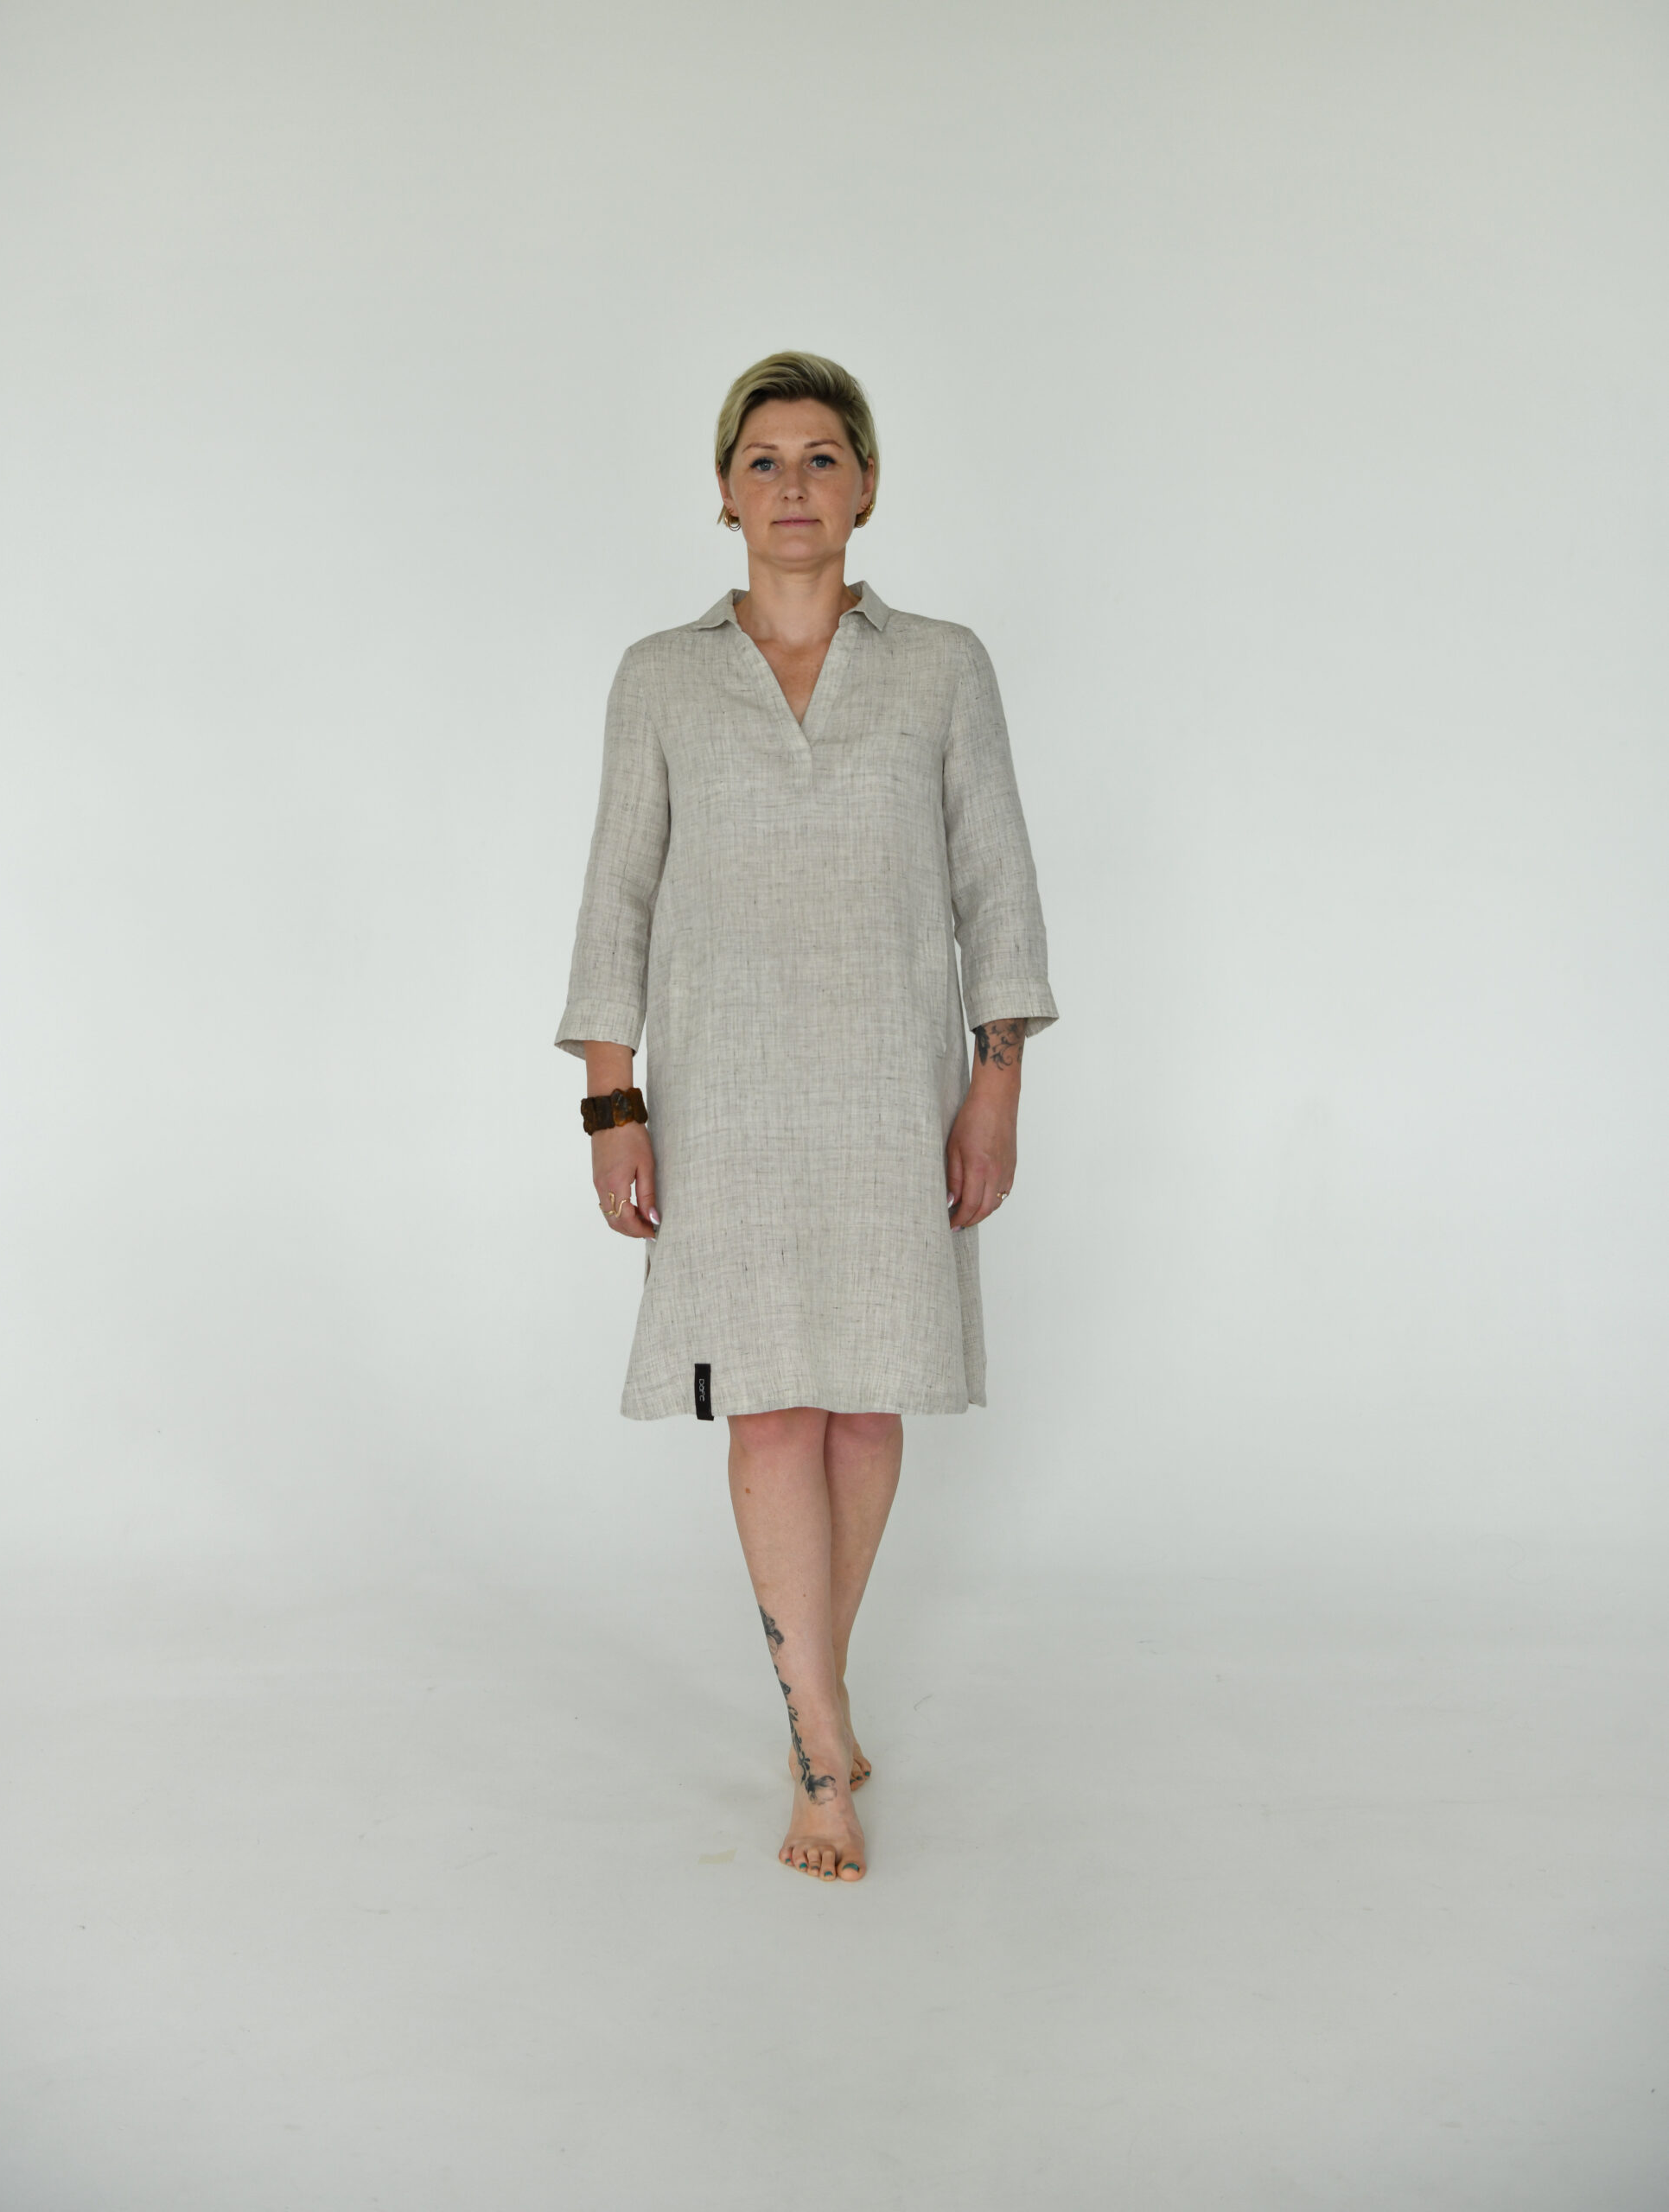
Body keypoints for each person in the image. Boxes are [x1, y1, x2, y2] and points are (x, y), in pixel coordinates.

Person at [555, 352, 1056, 1883]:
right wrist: (612, 1104)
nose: (792, 485)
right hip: (724, 1102)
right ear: (724, 493)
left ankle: (808, 1696)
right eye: (763, 460)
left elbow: (995, 886)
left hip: (891, 1092)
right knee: (769, 1404)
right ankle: (821, 1749)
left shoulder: (942, 667)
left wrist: (993, 1083)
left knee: (865, 1400)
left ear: (866, 487)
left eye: (821, 457)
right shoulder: (659, 676)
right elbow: (616, 898)